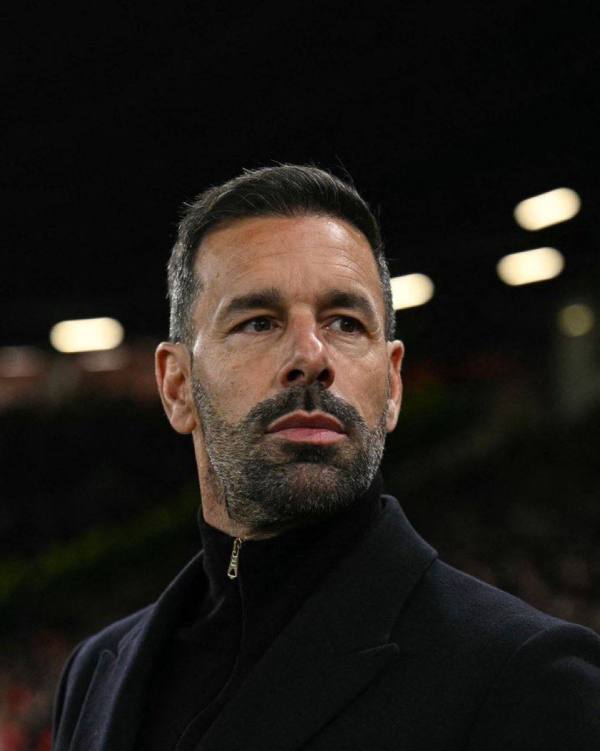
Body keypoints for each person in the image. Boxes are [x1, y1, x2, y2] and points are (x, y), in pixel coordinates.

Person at [52, 165, 600, 750]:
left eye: (345, 323)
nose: (311, 357)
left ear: (393, 385)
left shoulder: (529, 676)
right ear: (177, 386)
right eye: (258, 323)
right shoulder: (94, 676)